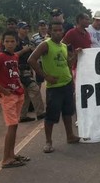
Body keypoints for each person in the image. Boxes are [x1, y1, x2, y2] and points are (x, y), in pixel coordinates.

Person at [28, 21, 80, 153]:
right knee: (51, 115)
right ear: (50, 32)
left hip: (67, 83)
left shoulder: (63, 46)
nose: (58, 33)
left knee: (68, 112)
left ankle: (70, 136)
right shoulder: (45, 45)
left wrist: (75, 56)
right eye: (55, 30)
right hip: (54, 87)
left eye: (60, 30)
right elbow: (31, 60)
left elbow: (66, 63)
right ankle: (48, 142)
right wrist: (45, 76)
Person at [0, 30, 28, 168]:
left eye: (12, 41)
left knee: (14, 125)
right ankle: (6, 159)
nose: (10, 44)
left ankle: (11, 154)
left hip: (17, 93)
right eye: (7, 41)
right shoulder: (0, 57)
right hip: (8, 95)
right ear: (2, 43)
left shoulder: (14, 56)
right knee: (11, 126)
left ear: (17, 42)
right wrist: (2, 89)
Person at [16, 22, 45, 122]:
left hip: (28, 68)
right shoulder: (15, 40)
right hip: (20, 69)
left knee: (26, 94)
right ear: (18, 29)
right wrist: (25, 50)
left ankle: (22, 115)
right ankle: (40, 113)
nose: (26, 30)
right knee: (34, 89)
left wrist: (31, 49)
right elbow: (12, 55)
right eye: (24, 28)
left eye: (27, 28)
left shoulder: (27, 39)